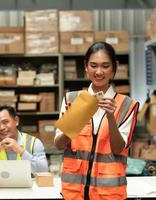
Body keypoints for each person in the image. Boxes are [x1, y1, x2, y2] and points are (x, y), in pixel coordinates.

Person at [55, 42, 139, 200]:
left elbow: (118, 148)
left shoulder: (127, 105)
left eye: (105, 66)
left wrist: (111, 118)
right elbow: (59, 144)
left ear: (115, 67)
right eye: (93, 65)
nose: (99, 71)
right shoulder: (71, 99)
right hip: (73, 193)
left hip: (109, 194)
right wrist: (77, 117)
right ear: (86, 66)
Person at [0, 105, 48, 173]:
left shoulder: (34, 143)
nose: (2, 127)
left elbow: (43, 171)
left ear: (16, 121)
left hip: (27, 183)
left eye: (5, 122)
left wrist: (21, 151)